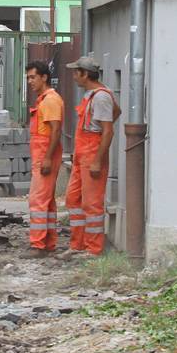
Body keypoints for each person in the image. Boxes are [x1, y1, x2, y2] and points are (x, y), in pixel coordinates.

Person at [64, 55, 119, 255]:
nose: (74, 76)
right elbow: (116, 112)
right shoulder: (91, 95)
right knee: (73, 199)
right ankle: (78, 244)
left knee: (92, 203)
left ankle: (93, 249)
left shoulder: (101, 96)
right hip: (83, 153)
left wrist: (97, 160)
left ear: (85, 74)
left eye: (76, 72)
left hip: (92, 153)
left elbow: (108, 130)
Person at [24, 61, 64, 254]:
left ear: (44, 77)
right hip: (43, 153)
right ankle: (47, 242)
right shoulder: (45, 100)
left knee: (38, 199)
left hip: (45, 154)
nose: (30, 81)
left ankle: (37, 244)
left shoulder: (50, 100)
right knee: (46, 200)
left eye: (33, 77)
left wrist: (47, 158)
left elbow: (56, 130)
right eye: (28, 78)